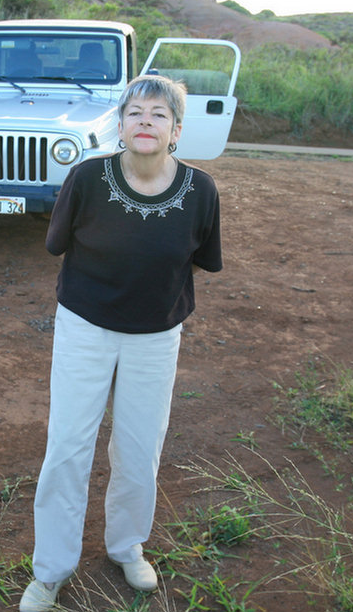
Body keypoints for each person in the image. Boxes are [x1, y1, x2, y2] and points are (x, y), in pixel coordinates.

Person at [20, 74, 223, 612]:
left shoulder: (200, 191)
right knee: (67, 447)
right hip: (85, 328)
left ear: (177, 129)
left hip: (156, 337)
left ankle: (127, 545)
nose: (146, 122)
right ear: (120, 124)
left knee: (138, 448)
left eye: (159, 114)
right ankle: (51, 569)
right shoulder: (87, 178)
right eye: (135, 112)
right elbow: (56, 244)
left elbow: (200, 257)